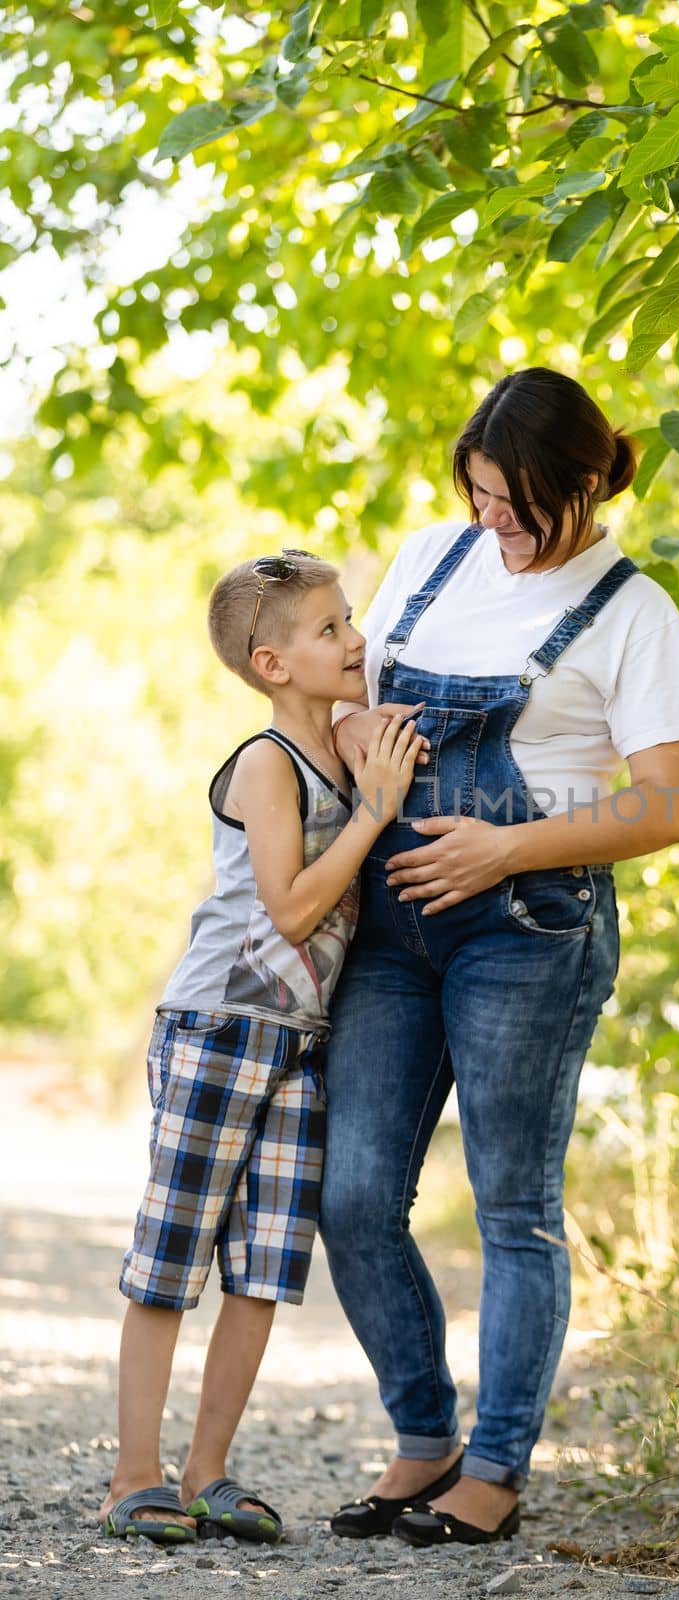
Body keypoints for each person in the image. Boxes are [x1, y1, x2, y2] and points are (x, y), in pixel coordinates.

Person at [320, 368, 679, 1547]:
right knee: (352, 1196)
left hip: (528, 925)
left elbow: (667, 807)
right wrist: (362, 740)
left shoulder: (633, 610)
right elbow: (348, 698)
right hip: (392, 918)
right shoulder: (432, 557)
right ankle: (424, 1434)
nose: (492, 519)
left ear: (583, 486)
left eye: (516, 501)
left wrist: (503, 848)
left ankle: (492, 1471)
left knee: (512, 1208)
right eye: (479, 491)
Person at [99, 551, 422, 1546]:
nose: (356, 640)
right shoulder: (264, 764)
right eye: (329, 629)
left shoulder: (342, 751)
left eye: (350, 620)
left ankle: (207, 1472)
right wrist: (373, 810)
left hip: (301, 1041)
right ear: (273, 663)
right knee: (173, 1256)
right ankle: (132, 1474)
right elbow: (287, 909)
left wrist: (372, 777)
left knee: (263, 1268)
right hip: (222, 1028)